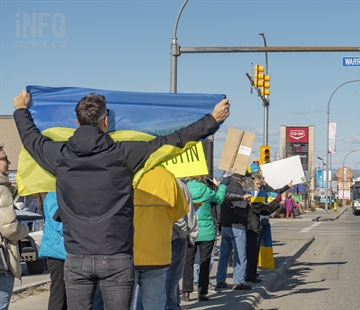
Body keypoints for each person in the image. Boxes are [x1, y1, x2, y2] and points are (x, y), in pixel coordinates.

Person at [13, 89, 230, 309]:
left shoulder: (61, 156)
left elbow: (31, 139)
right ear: (105, 121)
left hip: (77, 256)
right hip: (116, 257)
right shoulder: (123, 154)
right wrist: (211, 120)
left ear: (76, 121)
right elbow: (173, 141)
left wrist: (21, 110)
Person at [130, 165, 189, 310]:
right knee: (156, 303)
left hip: (129, 253)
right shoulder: (167, 177)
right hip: (158, 254)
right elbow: (179, 213)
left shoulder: (124, 174)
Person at [181, 175, 229, 302]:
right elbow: (218, 199)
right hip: (206, 231)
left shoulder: (184, 188)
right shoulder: (206, 190)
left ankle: (186, 291)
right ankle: (202, 293)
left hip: (190, 230)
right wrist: (223, 185)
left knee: (188, 261)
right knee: (205, 262)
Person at [245, 178, 293, 283]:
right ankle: (250, 276)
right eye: (257, 184)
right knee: (252, 252)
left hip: (248, 226)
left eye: (260, 184)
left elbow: (273, 192)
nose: (259, 186)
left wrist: (286, 187)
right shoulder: (253, 197)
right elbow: (265, 210)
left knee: (251, 252)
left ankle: (250, 273)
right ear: (251, 184)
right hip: (252, 227)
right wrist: (276, 201)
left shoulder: (249, 194)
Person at [0, 146, 30, 309]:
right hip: (2, 263)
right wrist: (25, 230)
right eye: (4, 159)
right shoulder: (1, 189)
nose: (8, 162)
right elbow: (9, 228)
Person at [165, 179, 199, 310]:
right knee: (172, 278)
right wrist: (185, 232)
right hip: (176, 236)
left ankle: (173, 304)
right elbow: (180, 214)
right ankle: (171, 306)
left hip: (159, 235)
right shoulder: (178, 185)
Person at [216, 173, 252, 291]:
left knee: (224, 255)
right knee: (240, 255)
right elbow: (240, 210)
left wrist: (219, 225)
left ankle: (220, 280)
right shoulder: (238, 190)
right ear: (241, 179)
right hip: (237, 226)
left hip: (225, 225)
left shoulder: (224, 188)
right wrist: (249, 205)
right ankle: (238, 281)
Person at [38, 192, 67, 310]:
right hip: (58, 252)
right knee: (59, 296)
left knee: (68, 296)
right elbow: (58, 223)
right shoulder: (54, 194)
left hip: (64, 250)